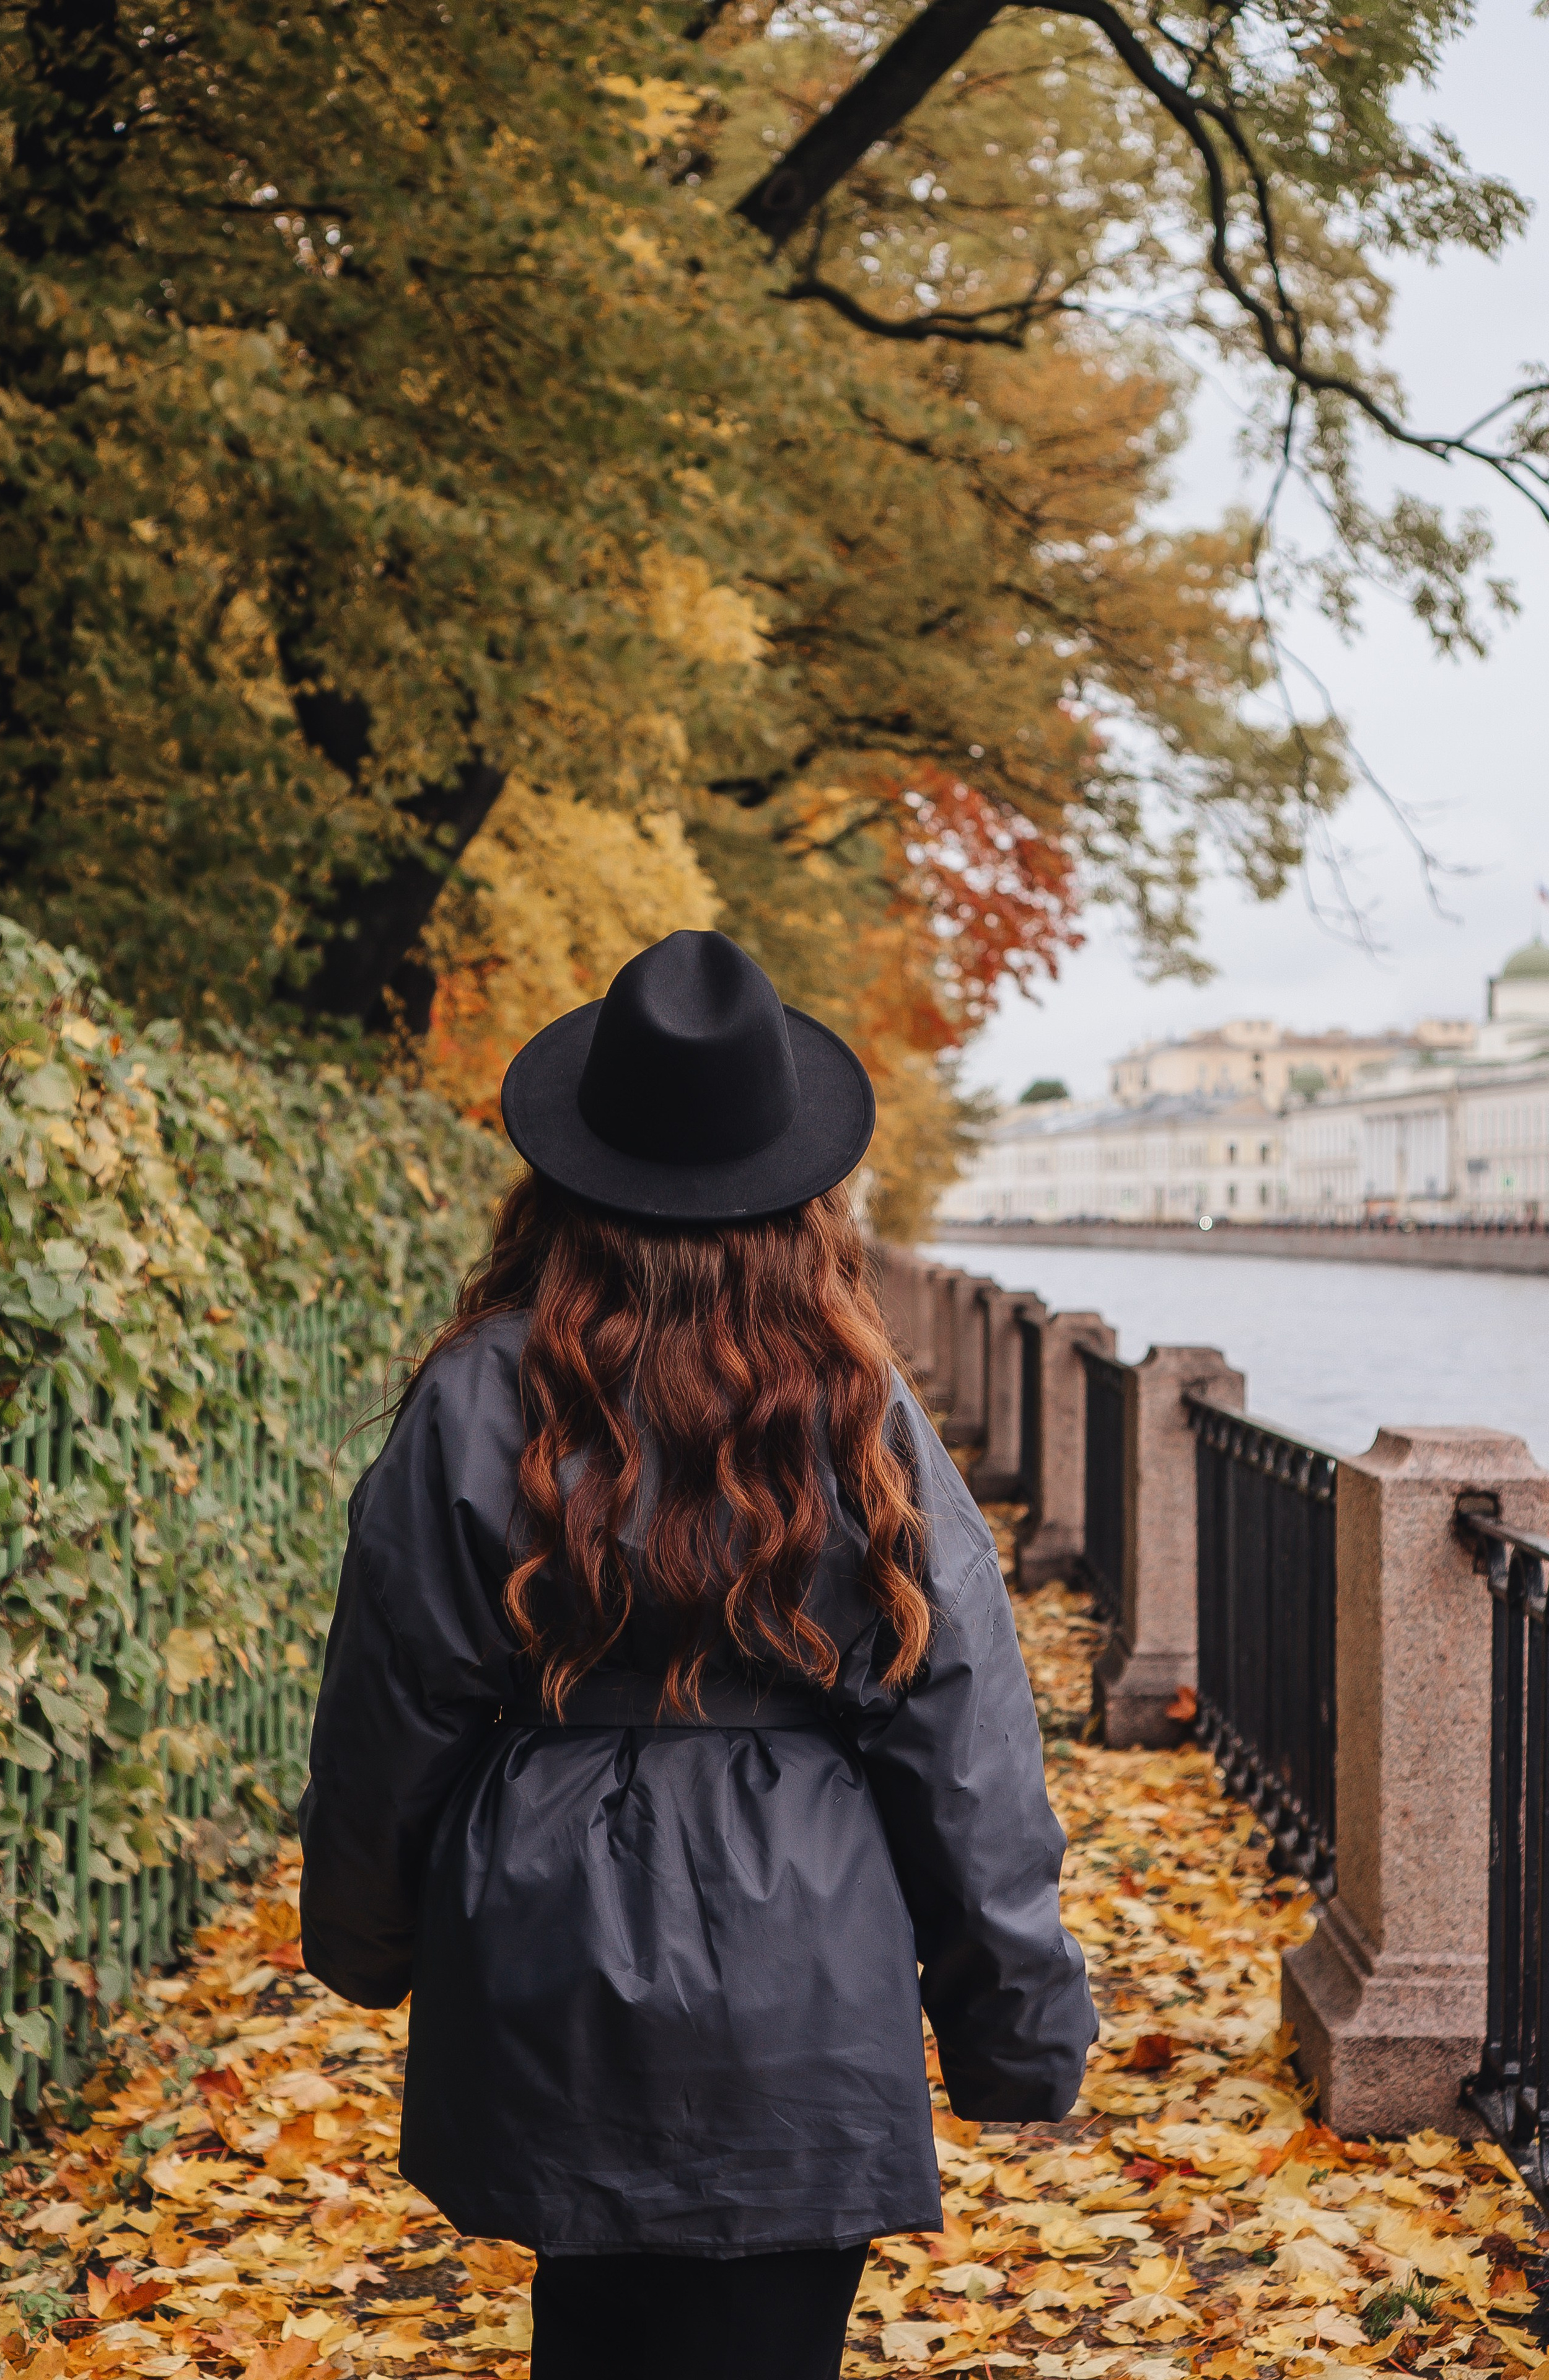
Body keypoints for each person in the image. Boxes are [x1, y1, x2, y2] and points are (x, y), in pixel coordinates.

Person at [298, 929, 1096, 2380]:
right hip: (805, 1956)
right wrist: (1013, 2028)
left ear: (566, 1173)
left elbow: (392, 1699)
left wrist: (364, 1939)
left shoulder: (481, 1388)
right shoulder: (852, 1399)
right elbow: (959, 1729)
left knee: (589, 2332)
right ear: (796, 1187)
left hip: (542, 1944)